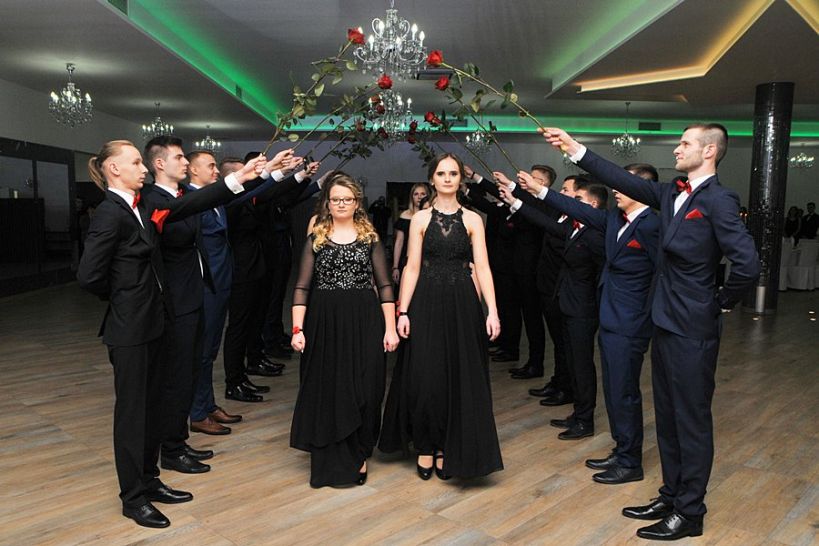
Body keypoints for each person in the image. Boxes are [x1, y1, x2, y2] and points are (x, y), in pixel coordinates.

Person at [542, 125, 759, 541]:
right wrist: (575, 149)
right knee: (668, 417)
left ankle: (690, 512)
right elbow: (619, 178)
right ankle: (671, 495)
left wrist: (717, 303)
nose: (677, 149)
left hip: (693, 327)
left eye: (685, 143)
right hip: (664, 322)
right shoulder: (671, 193)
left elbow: (748, 265)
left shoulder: (718, 199)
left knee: (691, 421)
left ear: (709, 151)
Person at [77, 140, 264, 528]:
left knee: (153, 407)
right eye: (135, 163)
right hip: (129, 329)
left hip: (154, 323)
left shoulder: (141, 203)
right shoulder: (110, 212)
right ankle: (133, 498)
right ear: (114, 169)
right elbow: (90, 275)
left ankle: (150, 481)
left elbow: (189, 204)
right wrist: (128, 297)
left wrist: (238, 180)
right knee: (132, 416)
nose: (143, 168)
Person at [511, 163, 660, 483]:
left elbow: (662, 276)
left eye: (623, 183)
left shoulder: (652, 225)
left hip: (630, 323)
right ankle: (622, 450)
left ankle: (630, 461)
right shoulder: (616, 220)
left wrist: (647, 320)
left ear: (642, 190)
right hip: (610, 319)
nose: (616, 189)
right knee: (614, 390)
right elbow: (575, 208)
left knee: (625, 393)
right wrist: (538, 191)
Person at [379, 153, 503, 481]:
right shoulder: (420, 219)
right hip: (426, 300)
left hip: (463, 302)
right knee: (425, 375)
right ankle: (425, 444)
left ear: (460, 179)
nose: (447, 178)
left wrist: (492, 310)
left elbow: (483, 268)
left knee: (458, 375)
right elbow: (412, 267)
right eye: (441, 173)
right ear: (432, 179)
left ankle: (448, 444)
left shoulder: (473, 219)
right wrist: (403, 310)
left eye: (453, 173)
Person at [289, 173, 398, 487]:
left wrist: (390, 328)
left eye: (346, 199)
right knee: (329, 387)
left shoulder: (370, 238)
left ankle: (360, 449)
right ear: (327, 203)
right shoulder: (317, 237)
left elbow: (385, 286)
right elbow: (301, 287)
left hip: (364, 317)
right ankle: (332, 455)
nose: (340, 204)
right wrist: (297, 329)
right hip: (324, 320)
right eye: (335, 199)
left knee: (367, 387)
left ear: (356, 203)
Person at [392, 183, 429, 284]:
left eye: (423, 194)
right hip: (407, 259)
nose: (419, 197)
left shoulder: (431, 216)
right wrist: (395, 267)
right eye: (416, 194)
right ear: (411, 197)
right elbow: (399, 242)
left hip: (426, 260)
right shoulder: (405, 215)